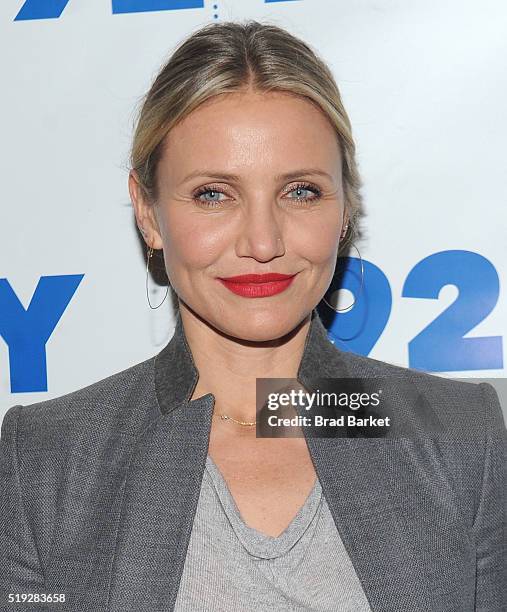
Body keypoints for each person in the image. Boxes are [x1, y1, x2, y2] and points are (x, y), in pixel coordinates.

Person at [1, 20, 505, 612]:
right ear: (148, 213)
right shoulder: (48, 460)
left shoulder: (459, 437)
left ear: (345, 207)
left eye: (301, 192)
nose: (263, 241)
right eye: (215, 193)